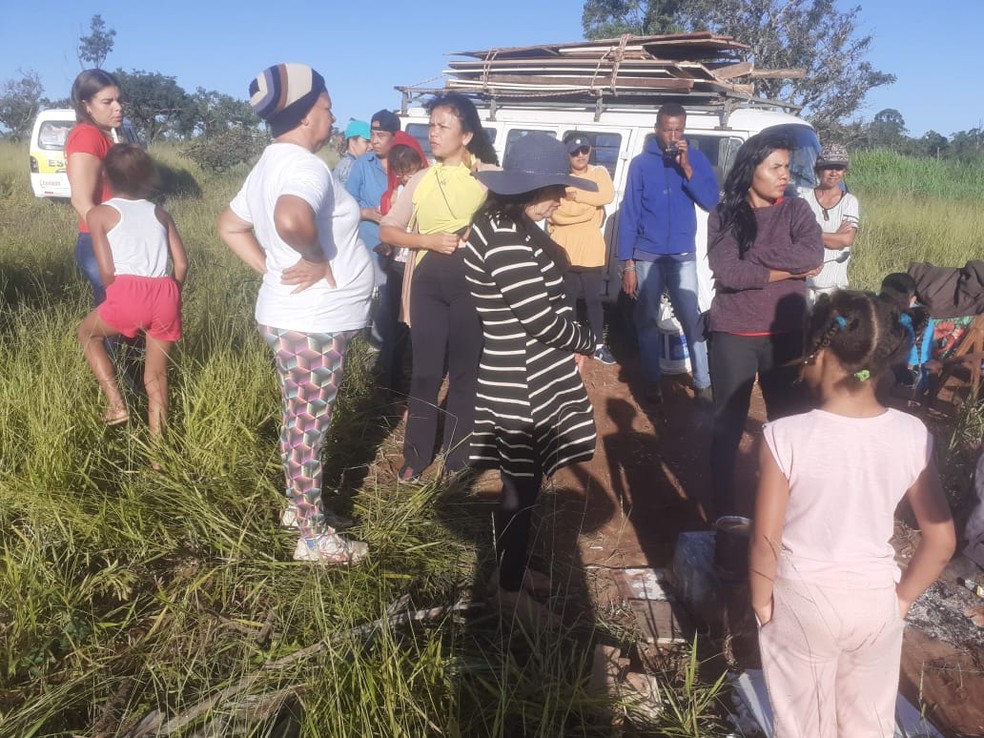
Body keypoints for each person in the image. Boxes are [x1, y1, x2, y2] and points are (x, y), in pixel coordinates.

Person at [750, 289, 956, 738]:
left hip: (803, 601)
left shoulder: (784, 436)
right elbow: (941, 541)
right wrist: (899, 600)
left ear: (819, 352)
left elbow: (765, 540)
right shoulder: (912, 434)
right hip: (875, 603)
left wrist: (761, 602)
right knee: (868, 725)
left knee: (805, 727)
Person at [218, 64, 374, 565]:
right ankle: (312, 538)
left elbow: (229, 226)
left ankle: (298, 506)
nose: (331, 119)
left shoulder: (270, 163)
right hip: (313, 325)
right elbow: (290, 219)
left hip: (296, 317)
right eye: (327, 109)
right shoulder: (304, 168)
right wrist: (312, 258)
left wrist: (271, 269)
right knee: (310, 425)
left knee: (298, 418)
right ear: (308, 114)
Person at [466, 132, 597, 617]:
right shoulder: (503, 238)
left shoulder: (508, 223)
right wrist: (590, 343)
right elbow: (539, 319)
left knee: (526, 481)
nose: (562, 197)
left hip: (530, 368)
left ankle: (515, 571)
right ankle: (508, 592)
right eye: (554, 188)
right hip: (520, 375)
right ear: (525, 188)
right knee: (521, 486)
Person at [378, 93, 498, 482]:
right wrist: (428, 241)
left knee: (466, 373)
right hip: (427, 283)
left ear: (466, 135)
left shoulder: (489, 178)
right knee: (426, 373)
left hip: (472, 284)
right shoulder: (419, 179)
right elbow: (388, 228)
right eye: (431, 125)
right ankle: (416, 456)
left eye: (443, 126)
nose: (433, 133)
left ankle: (458, 458)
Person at [707, 132, 823, 520]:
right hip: (733, 334)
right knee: (727, 426)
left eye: (787, 167)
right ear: (750, 168)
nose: (785, 175)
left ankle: (789, 509)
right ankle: (721, 511)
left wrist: (752, 256)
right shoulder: (724, 215)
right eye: (776, 167)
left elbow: (812, 252)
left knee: (790, 425)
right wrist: (788, 269)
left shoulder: (797, 211)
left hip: (785, 334)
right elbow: (727, 271)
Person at [78, 144, 187, 436]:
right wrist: (170, 295)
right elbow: (182, 265)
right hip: (166, 292)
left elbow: (106, 272)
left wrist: (123, 297)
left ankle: (116, 403)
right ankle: (158, 459)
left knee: (87, 333)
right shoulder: (161, 213)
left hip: (127, 291)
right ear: (147, 176)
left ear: (106, 176)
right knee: (156, 377)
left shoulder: (100, 214)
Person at [618, 102, 719, 405]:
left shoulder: (695, 158)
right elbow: (630, 214)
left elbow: (712, 202)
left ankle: (703, 384)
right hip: (647, 254)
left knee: (692, 319)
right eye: (667, 129)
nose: (672, 135)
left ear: (684, 129)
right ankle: (652, 384)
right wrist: (628, 264)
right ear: (657, 128)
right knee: (646, 321)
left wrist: (687, 168)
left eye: (678, 130)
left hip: (681, 254)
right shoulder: (640, 164)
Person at [547, 134, 616, 364]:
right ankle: (572, 343)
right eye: (574, 151)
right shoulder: (559, 176)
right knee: (568, 299)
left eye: (584, 150)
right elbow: (555, 213)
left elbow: (606, 195)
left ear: (590, 151)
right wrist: (590, 205)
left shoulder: (599, 172)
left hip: (590, 250)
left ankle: (598, 344)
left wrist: (574, 196)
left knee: (593, 300)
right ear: (566, 153)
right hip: (563, 249)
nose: (580, 156)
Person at [376, 132, 429, 396]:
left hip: (420, 264)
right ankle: (394, 381)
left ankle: (417, 379)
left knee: (419, 324)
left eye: (410, 171)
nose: (407, 178)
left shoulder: (429, 189)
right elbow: (388, 226)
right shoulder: (395, 194)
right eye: (402, 173)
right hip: (399, 266)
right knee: (397, 324)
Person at [66, 69, 125, 306]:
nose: (118, 107)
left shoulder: (105, 136)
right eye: (107, 102)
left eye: (119, 100)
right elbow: (81, 200)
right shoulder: (87, 137)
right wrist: (109, 239)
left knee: (118, 309)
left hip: (110, 235)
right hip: (99, 239)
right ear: (86, 106)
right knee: (116, 310)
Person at [797, 144, 860, 302]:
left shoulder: (849, 202)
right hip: (803, 284)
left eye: (838, 168)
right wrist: (834, 237)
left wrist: (811, 235)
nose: (833, 173)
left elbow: (846, 240)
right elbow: (795, 236)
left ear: (844, 171)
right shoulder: (803, 198)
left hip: (834, 288)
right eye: (828, 168)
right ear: (819, 170)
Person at [333, 119, 371, 188]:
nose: (371, 146)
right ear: (353, 141)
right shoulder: (350, 167)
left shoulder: (351, 163)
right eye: (367, 141)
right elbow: (346, 197)